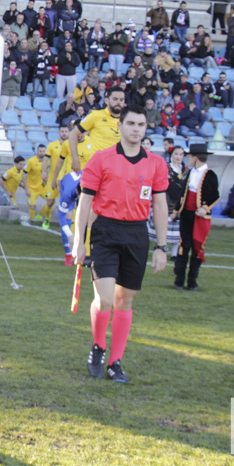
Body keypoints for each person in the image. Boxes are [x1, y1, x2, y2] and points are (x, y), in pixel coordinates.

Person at [74, 105, 170, 383]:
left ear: (145, 128)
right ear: (120, 126)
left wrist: (161, 247)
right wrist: (79, 241)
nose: (136, 129)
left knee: (124, 302)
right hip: (105, 231)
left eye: (141, 124)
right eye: (131, 123)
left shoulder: (156, 164)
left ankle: (116, 362)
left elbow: (160, 205)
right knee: (104, 299)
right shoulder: (101, 159)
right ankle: (98, 347)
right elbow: (85, 202)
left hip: (137, 234)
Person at [172, 143, 218, 291]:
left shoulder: (210, 175)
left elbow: (214, 196)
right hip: (186, 214)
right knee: (184, 246)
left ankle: (192, 281)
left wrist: (205, 209)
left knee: (197, 247)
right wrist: (176, 211)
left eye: (190, 157)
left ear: (195, 157)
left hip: (199, 217)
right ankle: (179, 280)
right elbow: (183, 194)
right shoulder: (190, 172)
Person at [69, 86, 125, 173]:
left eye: (121, 100)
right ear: (107, 100)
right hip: (97, 168)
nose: (118, 102)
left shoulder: (127, 120)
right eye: (115, 99)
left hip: (118, 168)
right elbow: (73, 134)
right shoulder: (96, 115)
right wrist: (75, 159)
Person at [23, 144, 49, 222]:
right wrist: (26, 188)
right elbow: (24, 174)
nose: (42, 153)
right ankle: (32, 221)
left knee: (50, 200)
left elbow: (44, 173)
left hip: (42, 188)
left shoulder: (46, 161)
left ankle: (40, 216)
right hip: (32, 189)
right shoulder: (31, 161)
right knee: (32, 206)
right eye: (40, 151)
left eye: (43, 151)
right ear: (37, 151)